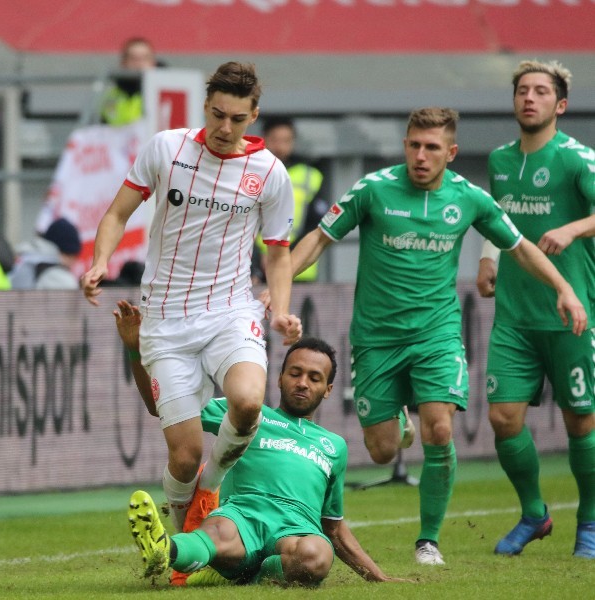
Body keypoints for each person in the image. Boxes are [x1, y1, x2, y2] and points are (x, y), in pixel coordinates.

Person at [288, 107, 587, 566]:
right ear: (405, 145)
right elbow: (318, 239)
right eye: (414, 145)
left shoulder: (470, 197)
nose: (421, 156)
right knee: (382, 450)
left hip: (437, 334)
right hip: (377, 339)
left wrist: (564, 289)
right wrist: (278, 287)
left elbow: (520, 248)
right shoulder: (374, 189)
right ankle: (399, 423)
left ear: (451, 152)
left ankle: (428, 540)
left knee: (441, 429)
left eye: (431, 148)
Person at [83, 61, 301, 584]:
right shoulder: (167, 148)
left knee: (248, 402)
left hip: (230, 310)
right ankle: (179, 548)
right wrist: (99, 262)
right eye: (217, 114)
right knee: (183, 456)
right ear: (206, 107)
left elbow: (277, 252)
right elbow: (116, 214)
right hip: (163, 318)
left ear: (255, 115)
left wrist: (283, 307)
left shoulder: (270, 172)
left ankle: (213, 487)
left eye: (238, 118)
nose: (226, 128)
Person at [114, 300, 404, 587]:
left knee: (317, 556)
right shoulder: (249, 412)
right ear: (279, 379)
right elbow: (162, 405)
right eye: (295, 373)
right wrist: (134, 349)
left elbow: (334, 527)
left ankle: (256, 575)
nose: (302, 383)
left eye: (314, 378)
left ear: (327, 390)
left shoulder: (334, 445)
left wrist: (378, 577)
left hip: (296, 531)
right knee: (216, 532)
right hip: (242, 517)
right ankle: (163, 550)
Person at [476, 60, 595, 559]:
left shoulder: (577, 158)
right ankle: (534, 513)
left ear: (560, 105)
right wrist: (487, 258)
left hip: (571, 314)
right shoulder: (500, 159)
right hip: (514, 317)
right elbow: (495, 216)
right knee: (504, 418)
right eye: (523, 90)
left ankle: (588, 522)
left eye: (541, 91)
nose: (529, 98)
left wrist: (573, 228)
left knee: (580, 422)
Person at [254, 117, 328, 283]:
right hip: (256, 269)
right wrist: (257, 257)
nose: (280, 147)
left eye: (286, 141)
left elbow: (316, 226)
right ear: (264, 138)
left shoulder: (310, 174)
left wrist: (285, 256)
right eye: (275, 140)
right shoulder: (251, 172)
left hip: (299, 270)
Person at [10, 217, 82, 290]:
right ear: (66, 254)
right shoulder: (61, 279)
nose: (74, 262)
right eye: (74, 256)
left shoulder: (26, 256)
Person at [99, 37, 157, 126]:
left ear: (153, 63)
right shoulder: (110, 97)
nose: (139, 63)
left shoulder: (162, 95)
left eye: (144, 58)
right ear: (123, 63)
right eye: (133, 58)